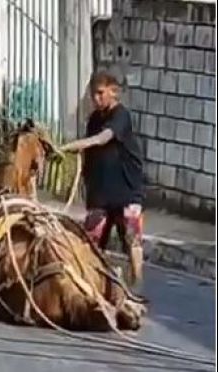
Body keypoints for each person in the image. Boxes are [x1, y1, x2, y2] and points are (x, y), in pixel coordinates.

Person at [59, 71, 145, 286]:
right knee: (91, 240)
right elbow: (92, 154)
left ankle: (137, 286)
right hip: (100, 193)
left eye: (100, 93)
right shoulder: (95, 119)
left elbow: (101, 139)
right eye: (93, 95)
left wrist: (72, 146)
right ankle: (94, 283)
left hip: (126, 190)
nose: (96, 99)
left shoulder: (121, 116)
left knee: (131, 239)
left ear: (113, 92)